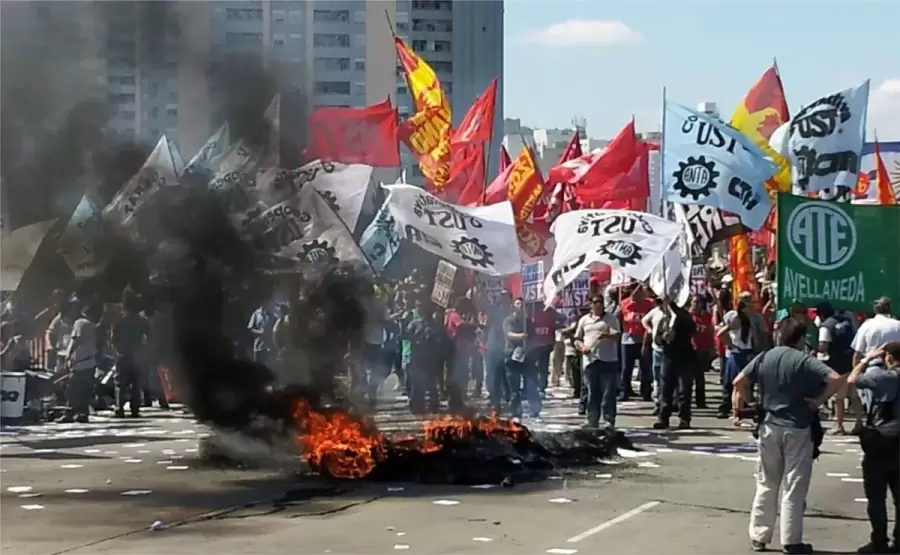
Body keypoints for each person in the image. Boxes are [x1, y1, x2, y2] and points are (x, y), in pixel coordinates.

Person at [733, 318, 845, 554]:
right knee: (794, 485)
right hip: (798, 426)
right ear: (800, 338)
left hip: (769, 425)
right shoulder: (804, 361)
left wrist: (753, 403)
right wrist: (818, 401)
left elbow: (739, 382)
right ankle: (791, 540)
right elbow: (835, 379)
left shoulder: (765, 357)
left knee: (766, 482)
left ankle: (759, 536)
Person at [848, 341, 900, 554]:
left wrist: (867, 359)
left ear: (888, 357)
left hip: (881, 441)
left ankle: (879, 541)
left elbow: (853, 379)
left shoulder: (884, 377)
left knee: (876, 496)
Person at [716, 291, 767, 419]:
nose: (748, 302)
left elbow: (762, 334)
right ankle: (737, 413)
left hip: (751, 352)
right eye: (744, 300)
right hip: (738, 353)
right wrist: (731, 345)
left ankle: (741, 411)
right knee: (738, 385)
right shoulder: (734, 317)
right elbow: (721, 332)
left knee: (744, 385)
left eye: (749, 299)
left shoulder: (756, 317)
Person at [816, 302, 862, 435]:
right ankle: (860, 423)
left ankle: (839, 425)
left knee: (838, 397)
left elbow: (823, 347)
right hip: (850, 362)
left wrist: (814, 348)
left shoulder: (825, 327)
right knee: (853, 395)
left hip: (837, 365)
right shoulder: (847, 321)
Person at [575, 295, 621, 429]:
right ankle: (592, 420)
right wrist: (581, 347)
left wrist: (606, 335)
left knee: (608, 393)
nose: (599, 304)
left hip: (608, 360)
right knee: (592, 393)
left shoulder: (611, 319)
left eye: (601, 302)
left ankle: (609, 421)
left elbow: (617, 336)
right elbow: (577, 338)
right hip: (590, 361)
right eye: (596, 302)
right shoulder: (584, 320)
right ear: (591, 304)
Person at [654, 299, 697, 430]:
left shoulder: (683, 317)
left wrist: (676, 330)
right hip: (668, 356)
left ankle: (684, 418)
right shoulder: (664, 320)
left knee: (684, 388)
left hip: (685, 356)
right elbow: (657, 338)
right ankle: (663, 417)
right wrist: (663, 338)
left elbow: (692, 329)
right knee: (666, 387)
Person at [852, 297, 900, 410]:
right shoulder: (898, 325)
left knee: (874, 409)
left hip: (873, 369)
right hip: (895, 370)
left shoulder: (867, 325)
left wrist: (857, 369)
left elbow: (857, 353)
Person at [112, 292, 150, 418]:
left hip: (123, 354)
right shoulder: (142, 321)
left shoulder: (119, 321)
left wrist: (117, 350)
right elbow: (149, 337)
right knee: (136, 383)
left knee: (120, 383)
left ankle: (119, 408)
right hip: (138, 355)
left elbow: (114, 338)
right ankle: (135, 409)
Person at [62, 300, 100, 423]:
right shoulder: (91, 324)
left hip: (80, 363)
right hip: (90, 361)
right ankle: (83, 413)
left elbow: (75, 341)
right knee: (84, 390)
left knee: (72, 389)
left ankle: (70, 412)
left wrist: (68, 356)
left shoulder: (79, 323)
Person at [503, 297, 539, 420]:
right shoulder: (509, 320)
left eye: (522, 304)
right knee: (514, 386)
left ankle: (535, 410)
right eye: (518, 303)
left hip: (527, 356)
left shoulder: (528, 321)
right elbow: (509, 334)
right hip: (512, 356)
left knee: (531, 383)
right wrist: (520, 336)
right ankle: (516, 412)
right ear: (514, 306)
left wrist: (531, 346)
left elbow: (534, 337)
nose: (520, 306)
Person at [406, 299, 443, 413]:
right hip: (417, 357)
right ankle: (417, 404)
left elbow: (440, 340)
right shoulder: (414, 324)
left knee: (431, 382)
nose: (424, 313)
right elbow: (406, 336)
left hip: (430, 357)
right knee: (417, 382)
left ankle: (433, 404)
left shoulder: (435, 325)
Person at [618, 285, 654, 402]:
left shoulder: (649, 304)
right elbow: (618, 318)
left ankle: (646, 392)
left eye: (640, 290)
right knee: (626, 368)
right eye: (635, 290)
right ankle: (625, 392)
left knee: (645, 368)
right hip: (627, 340)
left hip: (644, 339)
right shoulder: (624, 303)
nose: (637, 293)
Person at [483, 290, 512, 414]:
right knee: (494, 377)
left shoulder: (513, 313)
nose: (503, 299)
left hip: (507, 349)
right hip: (493, 348)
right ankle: (495, 403)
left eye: (506, 297)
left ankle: (510, 400)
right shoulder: (494, 311)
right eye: (502, 296)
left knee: (507, 377)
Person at [642, 297, 668, 415]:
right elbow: (644, 320)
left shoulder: (672, 313)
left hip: (669, 350)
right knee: (657, 377)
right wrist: (649, 329)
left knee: (668, 378)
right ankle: (658, 402)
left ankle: (669, 401)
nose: (660, 304)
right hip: (656, 349)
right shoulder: (655, 312)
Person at [690, 295, 716, 409]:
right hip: (689, 350)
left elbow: (710, 332)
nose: (696, 304)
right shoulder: (688, 316)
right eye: (694, 302)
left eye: (698, 302)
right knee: (687, 378)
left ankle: (700, 401)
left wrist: (711, 348)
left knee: (700, 378)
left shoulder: (706, 317)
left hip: (702, 351)